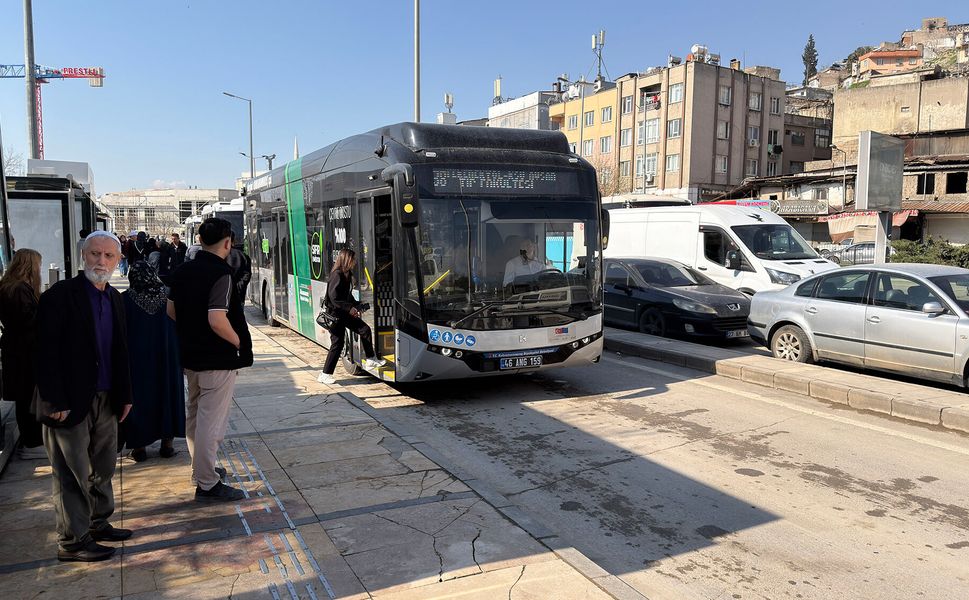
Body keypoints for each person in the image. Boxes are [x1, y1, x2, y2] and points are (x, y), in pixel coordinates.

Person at [35, 231, 133, 562]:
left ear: (118, 260)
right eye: (94, 254)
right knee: (71, 473)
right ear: (83, 256)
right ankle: (73, 541)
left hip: (107, 398)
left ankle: (97, 522)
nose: (101, 262)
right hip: (68, 403)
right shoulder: (60, 296)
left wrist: (126, 394)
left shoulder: (115, 297)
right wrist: (53, 401)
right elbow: (44, 353)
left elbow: (120, 350)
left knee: (102, 468)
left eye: (108, 256)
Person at [167, 218, 253, 502]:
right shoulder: (221, 273)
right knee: (211, 423)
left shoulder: (182, 271)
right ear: (227, 243)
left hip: (190, 356)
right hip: (217, 358)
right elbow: (217, 320)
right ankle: (206, 482)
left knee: (195, 415)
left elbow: (171, 310)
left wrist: (192, 328)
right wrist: (238, 342)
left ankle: (201, 469)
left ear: (200, 240)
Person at [121, 262, 185, 462]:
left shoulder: (124, 300)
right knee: (167, 394)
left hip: (136, 359)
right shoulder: (168, 297)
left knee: (139, 399)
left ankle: (139, 447)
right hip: (167, 355)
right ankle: (167, 445)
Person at [0, 248, 44, 459]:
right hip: (22, 352)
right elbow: (27, 321)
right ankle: (32, 442)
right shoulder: (18, 290)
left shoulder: (13, 287)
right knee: (26, 396)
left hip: (19, 350)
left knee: (25, 396)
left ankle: (32, 440)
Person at [317, 249, 385, 385]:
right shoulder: (337, 274)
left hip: (343, 314)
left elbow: (347, 296)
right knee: (337, 344)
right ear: (347, 259)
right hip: (336, 315)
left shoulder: (347, 274)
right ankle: (325, 374)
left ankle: (371, 358)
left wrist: (357, 305)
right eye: (353, 259)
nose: (355, 262)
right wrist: (350, 308)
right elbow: (334, 298)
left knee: (364, 330)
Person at [226, 232, 251, 308]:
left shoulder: (217, 255)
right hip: (239, 296)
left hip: (222, 297)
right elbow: (247, 274)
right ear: (234, 241)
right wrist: (239, 286)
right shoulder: (242, 255)